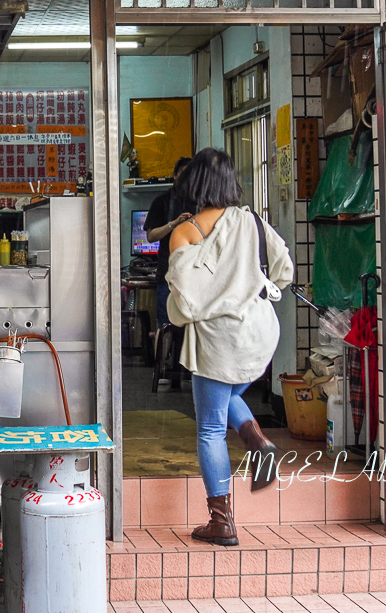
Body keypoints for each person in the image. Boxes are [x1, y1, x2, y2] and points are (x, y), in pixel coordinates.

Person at [166, 148, 293, 547]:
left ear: (193, 184)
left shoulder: (185, 233)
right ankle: (256, 438)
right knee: (228, 398)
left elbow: (184, 306)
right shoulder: (253, 221)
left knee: (209, 429)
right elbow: (284, 269)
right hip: (257, 336)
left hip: (217, 343)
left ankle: (221, 521)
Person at [143, 156, 196, 331]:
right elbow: (151, 236)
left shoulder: (202, 202)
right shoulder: (162, 202)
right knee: (166, 327)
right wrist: (174, 224)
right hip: (168, 274)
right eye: (184, 174)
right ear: (175, 176)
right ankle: (163, 358)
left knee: (192, 329)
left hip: (195, 275)